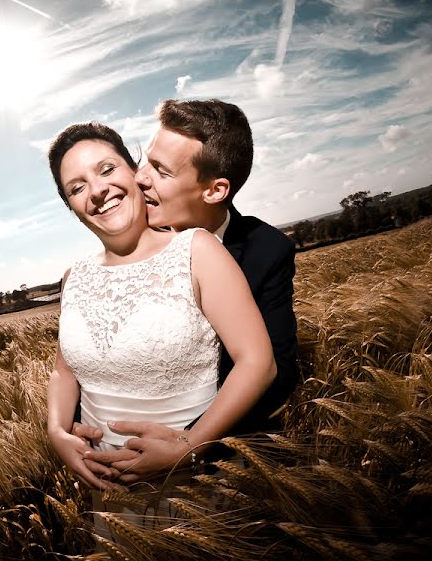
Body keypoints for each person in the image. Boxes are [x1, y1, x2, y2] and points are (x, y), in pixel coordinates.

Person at [75, 99, 299, 484]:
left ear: (214, 190)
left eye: (161, 171)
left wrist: (187, 443)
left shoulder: (267, 251)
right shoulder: (133, 238)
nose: (141, 178)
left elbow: (274, 373)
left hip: (221, 471)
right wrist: (87, 425)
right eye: (145, 160)